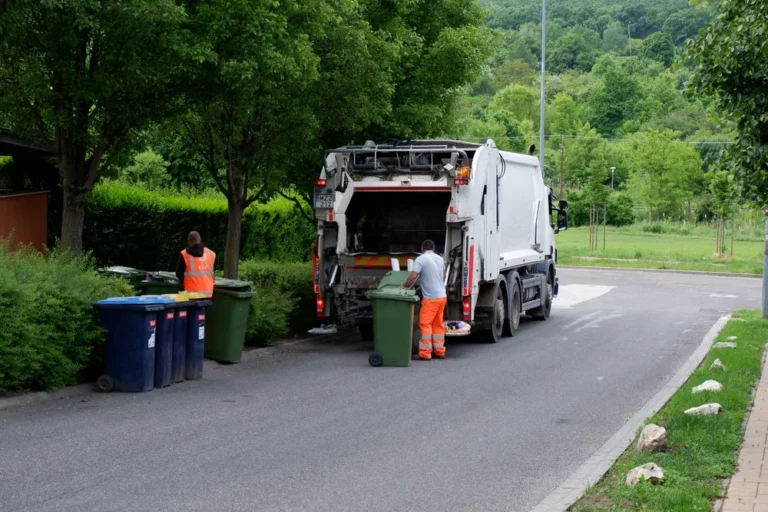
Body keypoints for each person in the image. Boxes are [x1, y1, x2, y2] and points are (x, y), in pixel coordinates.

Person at [403, 240, 447, 360]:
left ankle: (425, 353)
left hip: (431, 298)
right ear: (433, 248)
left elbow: (413, 276)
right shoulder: (439, 258)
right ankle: (439, 351)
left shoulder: (421, 259)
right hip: (442, 296)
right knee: (438, 324)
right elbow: (442, 275)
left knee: (425, 324)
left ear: (422, 249)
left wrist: (404, 287)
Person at [175, 231, 216, 297]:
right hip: (207, 294)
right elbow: (211, 272)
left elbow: (179, 274)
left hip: (191, 294)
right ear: (200, 240)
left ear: (188, 241)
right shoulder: (211, 254)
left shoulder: (184, 254)